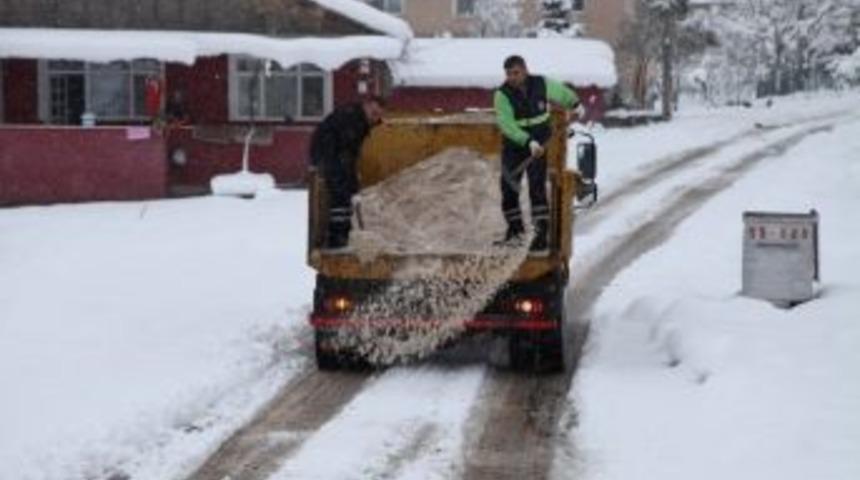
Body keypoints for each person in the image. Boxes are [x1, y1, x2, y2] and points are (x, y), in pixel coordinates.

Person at [494, 55, 584, 253]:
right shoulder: (502, 95)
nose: (512, 77)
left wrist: (575, 104)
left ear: (525, 70)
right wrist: (527, 142)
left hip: (541, 141)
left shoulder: (541, 84)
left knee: (537, 188)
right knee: (509, 187)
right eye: (508, 74)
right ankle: (515, 232)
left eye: (516, 73)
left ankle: (540, 235)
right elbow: (507, 125)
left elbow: (561, 93)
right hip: (515, 144)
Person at [309, 96, 385, 249]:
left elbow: (351, 154)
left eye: (378, 115)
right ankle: (337, 240)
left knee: (345, 192)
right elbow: (347, 153)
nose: (374, 117)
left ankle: (342, 235)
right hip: (329, 155)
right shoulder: (352, 120)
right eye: (373, 112)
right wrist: (352, 185)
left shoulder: (360, 120)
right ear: (366, 106)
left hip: (333, 155)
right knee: (341, 194)